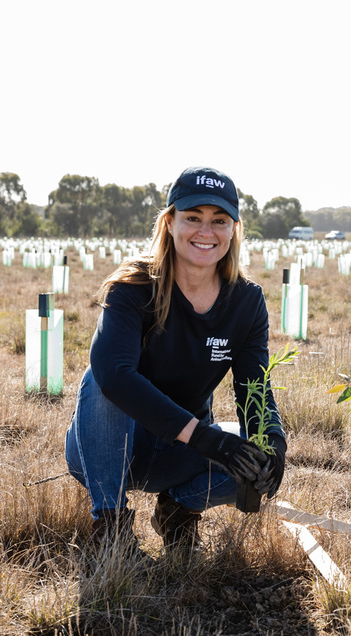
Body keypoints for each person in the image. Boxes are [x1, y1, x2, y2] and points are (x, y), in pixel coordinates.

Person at [64, 166, 287, 552]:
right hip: (112, 449)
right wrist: (208, 440)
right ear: (169, 222)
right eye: (193, 218)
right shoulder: (133, 287)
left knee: (255, 457)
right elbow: (114, 375)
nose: (206, 231)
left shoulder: (246, 301)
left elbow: (254, 386)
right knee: (100, 382)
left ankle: (178, 510)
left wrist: (272, 445)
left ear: (234, 228)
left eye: (219, 220)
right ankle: (111, 526)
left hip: (181, 454)